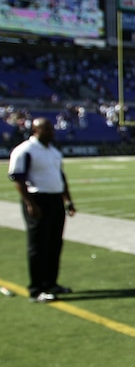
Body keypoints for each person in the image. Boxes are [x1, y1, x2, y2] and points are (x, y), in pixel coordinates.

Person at [7, 116, 76, 302]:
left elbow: (60, 176)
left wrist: (68, 200)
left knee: (54, 243)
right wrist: (30, 203)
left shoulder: (53, 151)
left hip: (55, 200)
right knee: (38, 245)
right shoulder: (25, 150)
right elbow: (18, 179)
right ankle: (36, 289)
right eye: (47, 129)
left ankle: (50, 283)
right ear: (35, 130)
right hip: (37, 199)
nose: (51, 132)